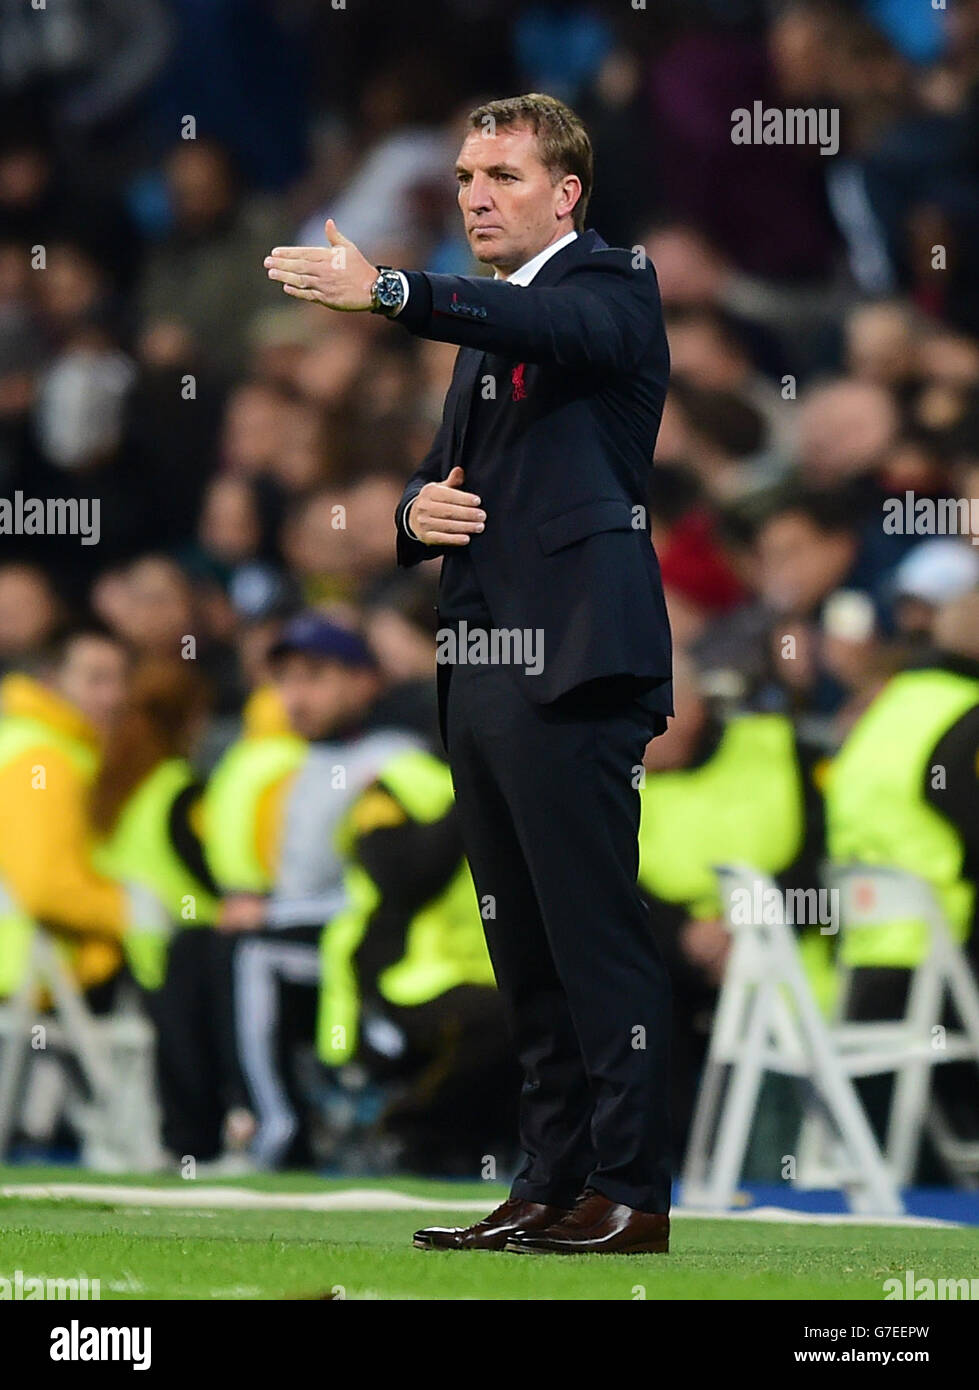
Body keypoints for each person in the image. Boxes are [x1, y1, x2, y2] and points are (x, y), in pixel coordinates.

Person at [265, 92, 674, 1253]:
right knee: (525, 949)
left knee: (592, 938)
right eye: (462, 178)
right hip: (483, 660)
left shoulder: (611, 285)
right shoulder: (494, 328)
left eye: (500, 175)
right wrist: (413, 509)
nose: (475, 196)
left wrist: (393, 289)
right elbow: (443, 476)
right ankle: (549, 1182)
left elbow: (550, 333)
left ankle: (631, 1191)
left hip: (576, 663)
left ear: (566, 194)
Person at [217, 611, 420, 1168]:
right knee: (199, 949)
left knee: (250, 954)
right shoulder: (299, 760)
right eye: (285, 680)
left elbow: (392, 884)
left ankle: (275, 1132)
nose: (296, 696)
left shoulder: (395, 758)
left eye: (315, 676)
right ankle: (212, 1128)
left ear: (364, 680)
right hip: (318, 926)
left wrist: (270, 914)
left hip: (378, 938)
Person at [320, 745, 514, 1175]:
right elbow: (400, 876)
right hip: (406, 971)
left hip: (491, 970)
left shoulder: (533, 781)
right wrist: (473, 797)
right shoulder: (397, 782)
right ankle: (404, 1129)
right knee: (504, 1022)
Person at [90, 658, 245, 1165]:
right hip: (179, 950)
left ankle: (191, 1142)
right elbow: (204, 869)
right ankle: (237, 1129)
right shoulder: (179, 788)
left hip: (133, 950)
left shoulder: (121, 786)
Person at [0, 625, 164, 1007]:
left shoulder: (29, 742)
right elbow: (45, 886)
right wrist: (135, 910)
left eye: (121, 679)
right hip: (35, 981)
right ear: (51, 681)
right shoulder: (44, 759)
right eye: (96, 680)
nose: (114, 696)